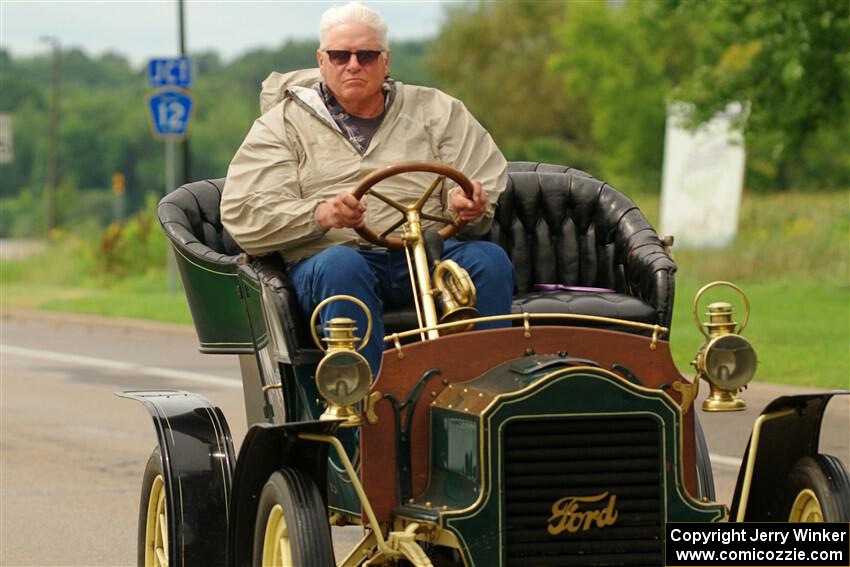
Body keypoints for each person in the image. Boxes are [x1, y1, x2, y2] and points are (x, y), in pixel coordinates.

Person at [221, 2, 514, 373]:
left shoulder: (437, 110)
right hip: (332, 261)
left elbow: (478, 182)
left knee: (488, 262)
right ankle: (365, 411)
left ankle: (477, 398)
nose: (354, 64)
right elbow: (245, 215)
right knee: (342, 265)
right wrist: (321, 214)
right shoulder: (281, 126)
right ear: (322, 60)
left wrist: (466, 205)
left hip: (424, 253)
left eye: (367, 55)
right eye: (341, 55)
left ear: (386, 61)